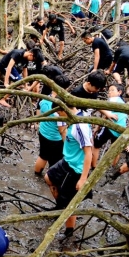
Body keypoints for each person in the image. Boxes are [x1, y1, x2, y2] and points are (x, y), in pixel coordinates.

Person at [45, 102, 93, 238]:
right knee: (48, 177)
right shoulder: (75, 119)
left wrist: (83, 178)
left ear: (64, 110)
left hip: (74, 169)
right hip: (67, 161)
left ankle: (69, 231)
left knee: (70, 203)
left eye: (59, 113)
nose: (59, 116)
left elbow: (88, 152)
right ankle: (60, 206)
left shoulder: (79, 126)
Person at [34, 75, 71, 175]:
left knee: (43, 155)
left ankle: (37, 173)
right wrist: (68, 145)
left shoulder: (44, 100)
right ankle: (51, 178)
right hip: (55, 139)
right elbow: (62, 130)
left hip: (43, 133)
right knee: (55, 161)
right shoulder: (59, 107)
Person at [92, 84, 127, 168]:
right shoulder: (123, 103)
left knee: (96, 145)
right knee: (116, 150)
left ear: (119, 92)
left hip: (110, 127)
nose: (109, 92)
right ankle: (113, 167)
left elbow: (102, 110)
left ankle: (93, 166)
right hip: (120, 130)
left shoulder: (113, 99)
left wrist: (97, 128)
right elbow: (109, 114)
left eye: (112, 90)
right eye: (109, 90)